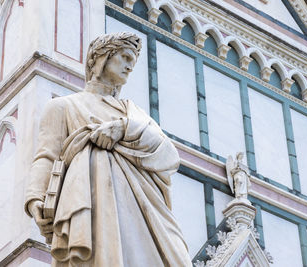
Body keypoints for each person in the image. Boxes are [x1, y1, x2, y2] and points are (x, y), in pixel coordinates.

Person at [24, 32, 192, 267]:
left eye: (132, 61)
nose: (130, 67)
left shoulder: (133, 114)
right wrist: (35, 197)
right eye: (125, 57)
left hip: (141, 210)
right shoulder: (64, 106)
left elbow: (168, 156)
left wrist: (122, 129)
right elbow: (46, 156)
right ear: (102, 58)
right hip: (91, 205)